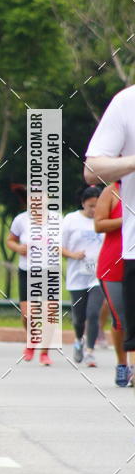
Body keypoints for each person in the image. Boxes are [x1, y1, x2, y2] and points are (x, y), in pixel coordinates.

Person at [85, 87, 135, 355]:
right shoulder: (127, 102)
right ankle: (122, 365)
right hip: (121, 256)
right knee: (120, 321)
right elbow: (92, 170)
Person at [94, 182, 133, 386]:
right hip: (114, 264)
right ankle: (122, 364)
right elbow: (98, 224)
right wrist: (125, 220)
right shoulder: (112, 191)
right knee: (122, 320)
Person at [6, 204, 53, 366]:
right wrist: (18, 248)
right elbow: (10, 241)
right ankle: (32, 340)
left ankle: (45, 353)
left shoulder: (56, 219)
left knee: (49, 312)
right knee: (28, 314)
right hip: (27, 270)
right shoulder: (21, 219)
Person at [62, 187, 104, 367]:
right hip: (77, 275)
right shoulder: (71, 220)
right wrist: (73, 255)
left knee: (93, 314)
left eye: (97, 206)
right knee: (79, 318)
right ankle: (79, 339)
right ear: (83, 203)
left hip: (98, 275)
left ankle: (90, 352)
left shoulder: (104, 220)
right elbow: (58, 247)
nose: (94, 210)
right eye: (90, 206)